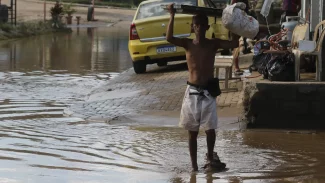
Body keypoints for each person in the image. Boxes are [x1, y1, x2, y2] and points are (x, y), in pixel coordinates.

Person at [166, 3, 240, 172]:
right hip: (191, 92)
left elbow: (234, 43)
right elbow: (169, 38)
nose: (199, 28)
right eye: (196, 25)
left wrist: (230, 21)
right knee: (192, 132)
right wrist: (172, 15)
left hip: (207, 93)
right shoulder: (187, 44)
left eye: (202, 25)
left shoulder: (213, 44)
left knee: (210, 130)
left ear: (207, 27)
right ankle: (193, 167)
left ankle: (209, 159)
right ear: (193, 27)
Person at [231, 0, 251, 75]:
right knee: (236, 44)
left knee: (237, 44)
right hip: (237, 22)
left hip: (238, 21)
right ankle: (236, 67)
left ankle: (236, 67)